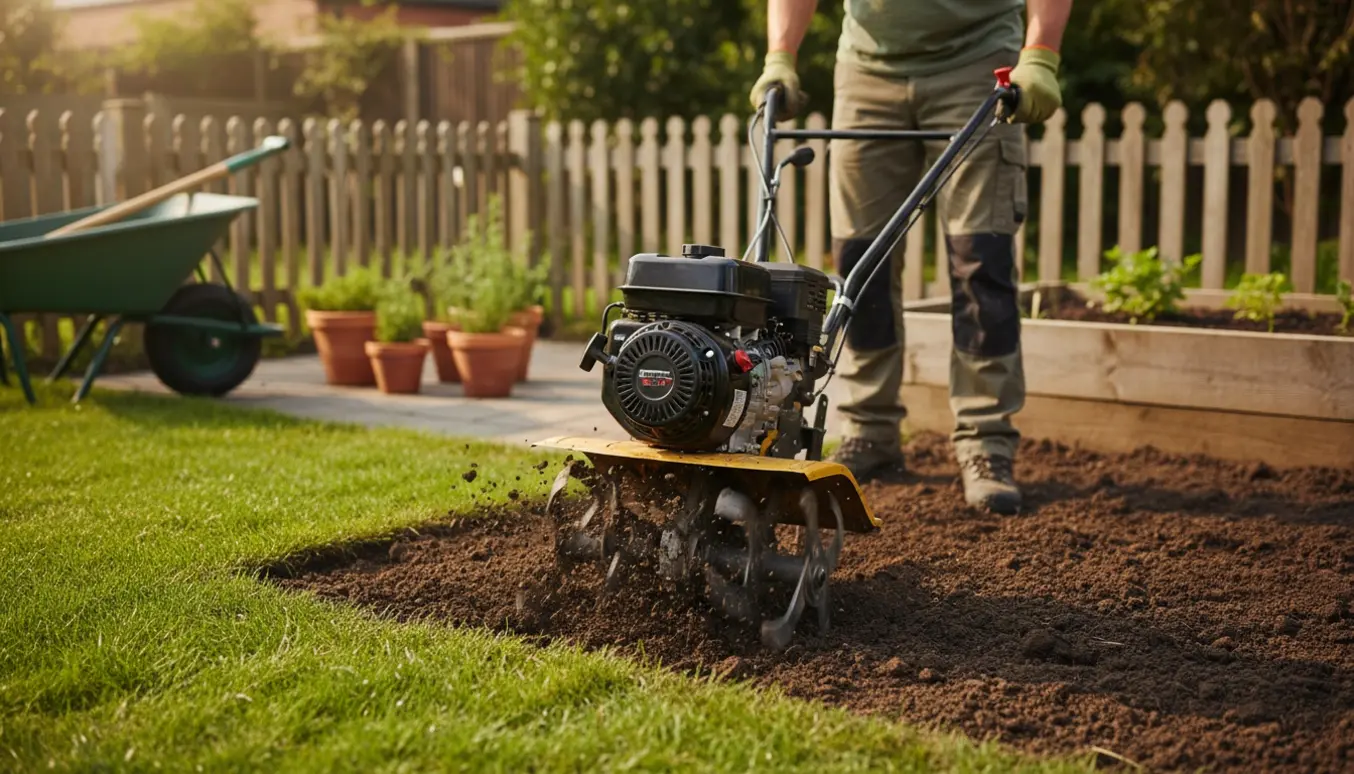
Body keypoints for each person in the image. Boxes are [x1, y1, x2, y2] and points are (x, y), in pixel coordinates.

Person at [749, 0, 1070, 515]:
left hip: (979, 61)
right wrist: (780, 56)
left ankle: (985, 440)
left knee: (980, 258)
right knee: (859, 263)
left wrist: (1040, 56)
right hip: (867, 66)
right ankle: (870, 426)